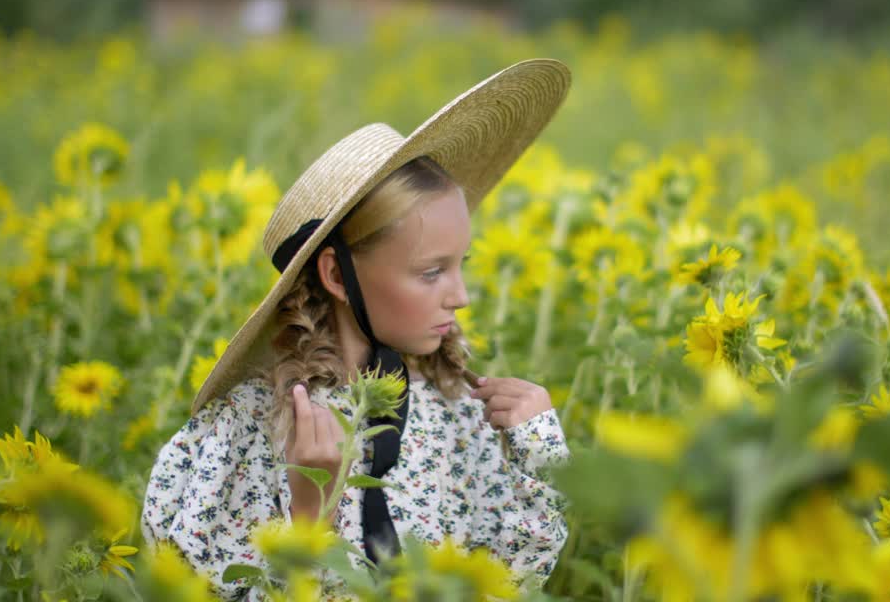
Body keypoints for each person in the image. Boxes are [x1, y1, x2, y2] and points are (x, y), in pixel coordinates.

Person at [140, 59, 574, 600]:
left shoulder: (459, 413)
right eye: (431, 271)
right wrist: (307, 518)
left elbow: (510, 585)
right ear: (335, 276)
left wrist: (537, 455)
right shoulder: (250, 428)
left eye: (463, 262)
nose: (460, 296)